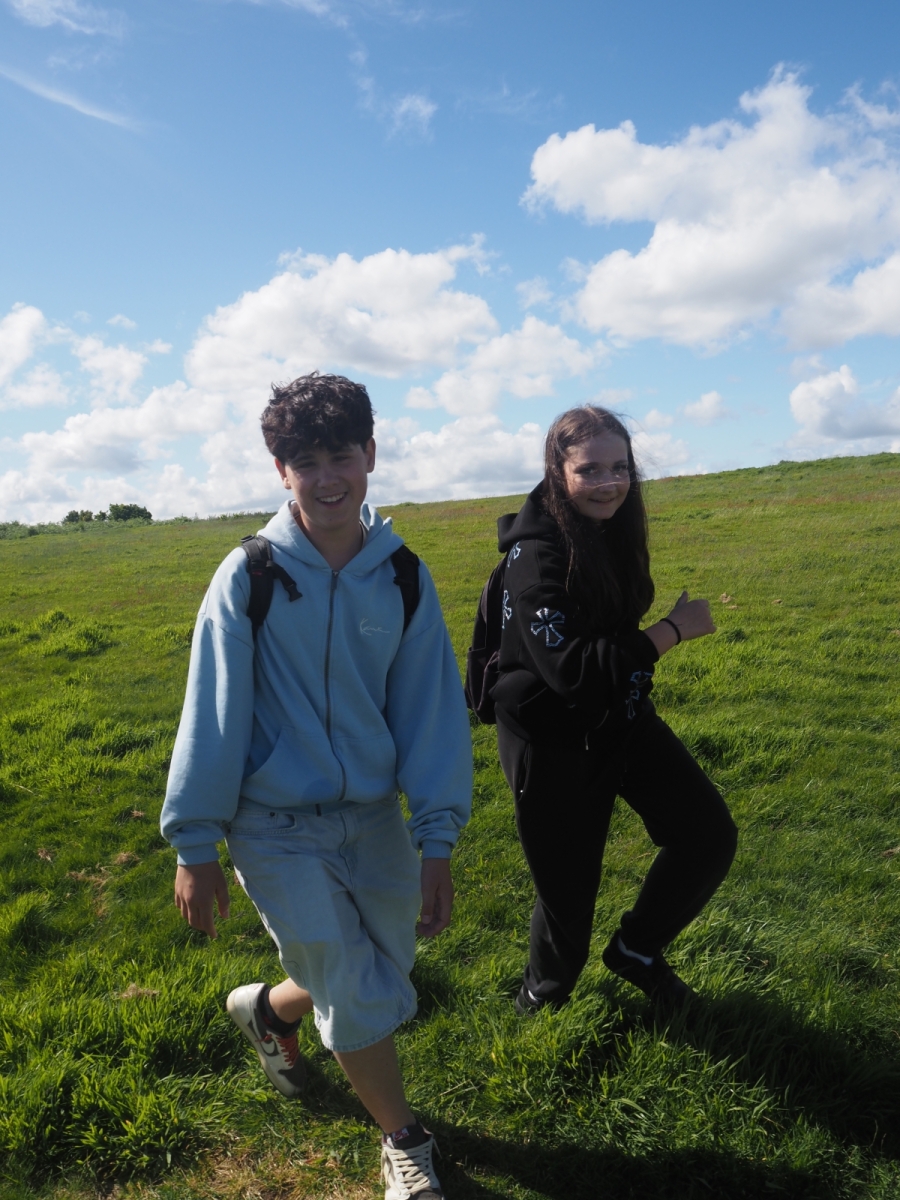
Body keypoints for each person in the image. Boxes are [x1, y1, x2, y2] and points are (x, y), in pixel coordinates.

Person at [160, 373, 472, 1200]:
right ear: (281, 470)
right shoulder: (251, 575)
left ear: (370, 453)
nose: (328, 478)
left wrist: (436, 838)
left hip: (372, 817)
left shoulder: (402, 576)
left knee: (380, 967)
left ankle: (269, 1011)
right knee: (357, 985)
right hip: (273, 823)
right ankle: (405, 1142)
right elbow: (212, 710)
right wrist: (195, 842)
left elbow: (430, 712)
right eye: (306, 461)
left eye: (342, 456)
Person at [492, 404, 737, 1014]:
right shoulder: (535, 555)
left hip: (621, 717)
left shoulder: (611, 529)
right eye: (589, 470)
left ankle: (636, 950)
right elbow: (572, 671)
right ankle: (540, 1003)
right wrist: (672, 631)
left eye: (620, 467)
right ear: (557, 471)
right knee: (568, 901)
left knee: (706, 835)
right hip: (551, 739)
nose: (609, 483)